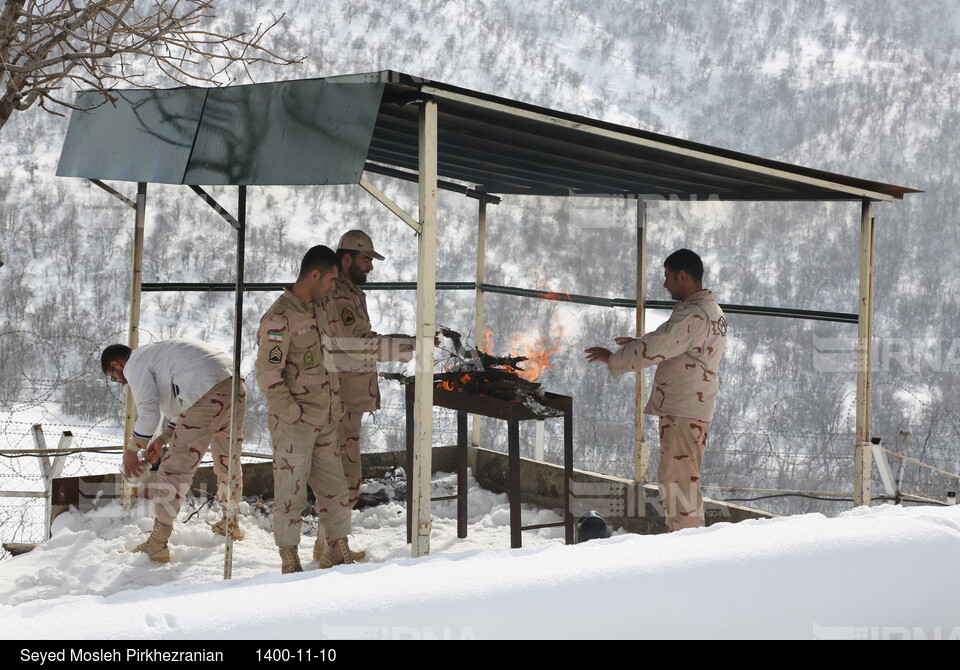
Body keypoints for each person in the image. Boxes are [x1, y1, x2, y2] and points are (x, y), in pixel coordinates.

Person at [585, 249, 726, 532]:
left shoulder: (693, 314)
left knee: (679, 485)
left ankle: (688, 549)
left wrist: (615, 358)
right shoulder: (710, 310)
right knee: (681, 481)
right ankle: (688, 542)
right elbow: (676, 346)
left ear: (683, 276)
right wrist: (640, 343)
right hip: (690, 409)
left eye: (668, 277)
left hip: (684, 411)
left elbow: (662, 345)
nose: (665, 284)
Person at [255, 244, 357, 574]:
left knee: (336, 492)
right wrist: (292, 415)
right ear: (314, 275)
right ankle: (290, 561)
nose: (332, 287)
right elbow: (268, 375)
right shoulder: (279, 318)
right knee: (291, 495)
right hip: (295, 425)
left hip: (325, 420)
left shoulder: (317, 308)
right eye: (329, 280)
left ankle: (340, 552)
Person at [100, 338, 246, 563]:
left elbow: (149, 413)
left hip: (206, 392)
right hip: (234, 384)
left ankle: (158, 544)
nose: (121, 382)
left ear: (117, 365)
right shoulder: (158, 355)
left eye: (114, 378)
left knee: (175, 469)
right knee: (228, 457)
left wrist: (131, 451)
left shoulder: (134, 364)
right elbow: (188, 399)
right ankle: (232, 523)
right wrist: (163, 438)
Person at [324, 230, 415, 562]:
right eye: (366, 261)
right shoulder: (337, 294)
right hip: (338, 399)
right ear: (346, 258)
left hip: (347, 399)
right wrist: (408, 345)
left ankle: (329, 545)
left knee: (343, 474)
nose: (370, 268)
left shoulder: (347, 291)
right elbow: (355, 343)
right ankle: (334, 549)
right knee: (341, 476)